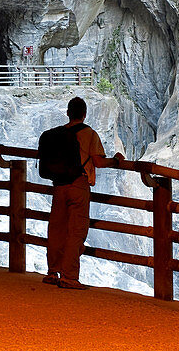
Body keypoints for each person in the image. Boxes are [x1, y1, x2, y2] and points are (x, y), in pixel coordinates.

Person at [38, 96, 124, 289]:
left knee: (57, 230)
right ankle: (69, 276)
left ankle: (53, 272)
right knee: (76, 232)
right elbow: (99, 162)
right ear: (85, 114)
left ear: (68, 113)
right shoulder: (89, 134)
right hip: (78, 185)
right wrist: (116, 161)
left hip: (59, 186)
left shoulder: (58, 134)